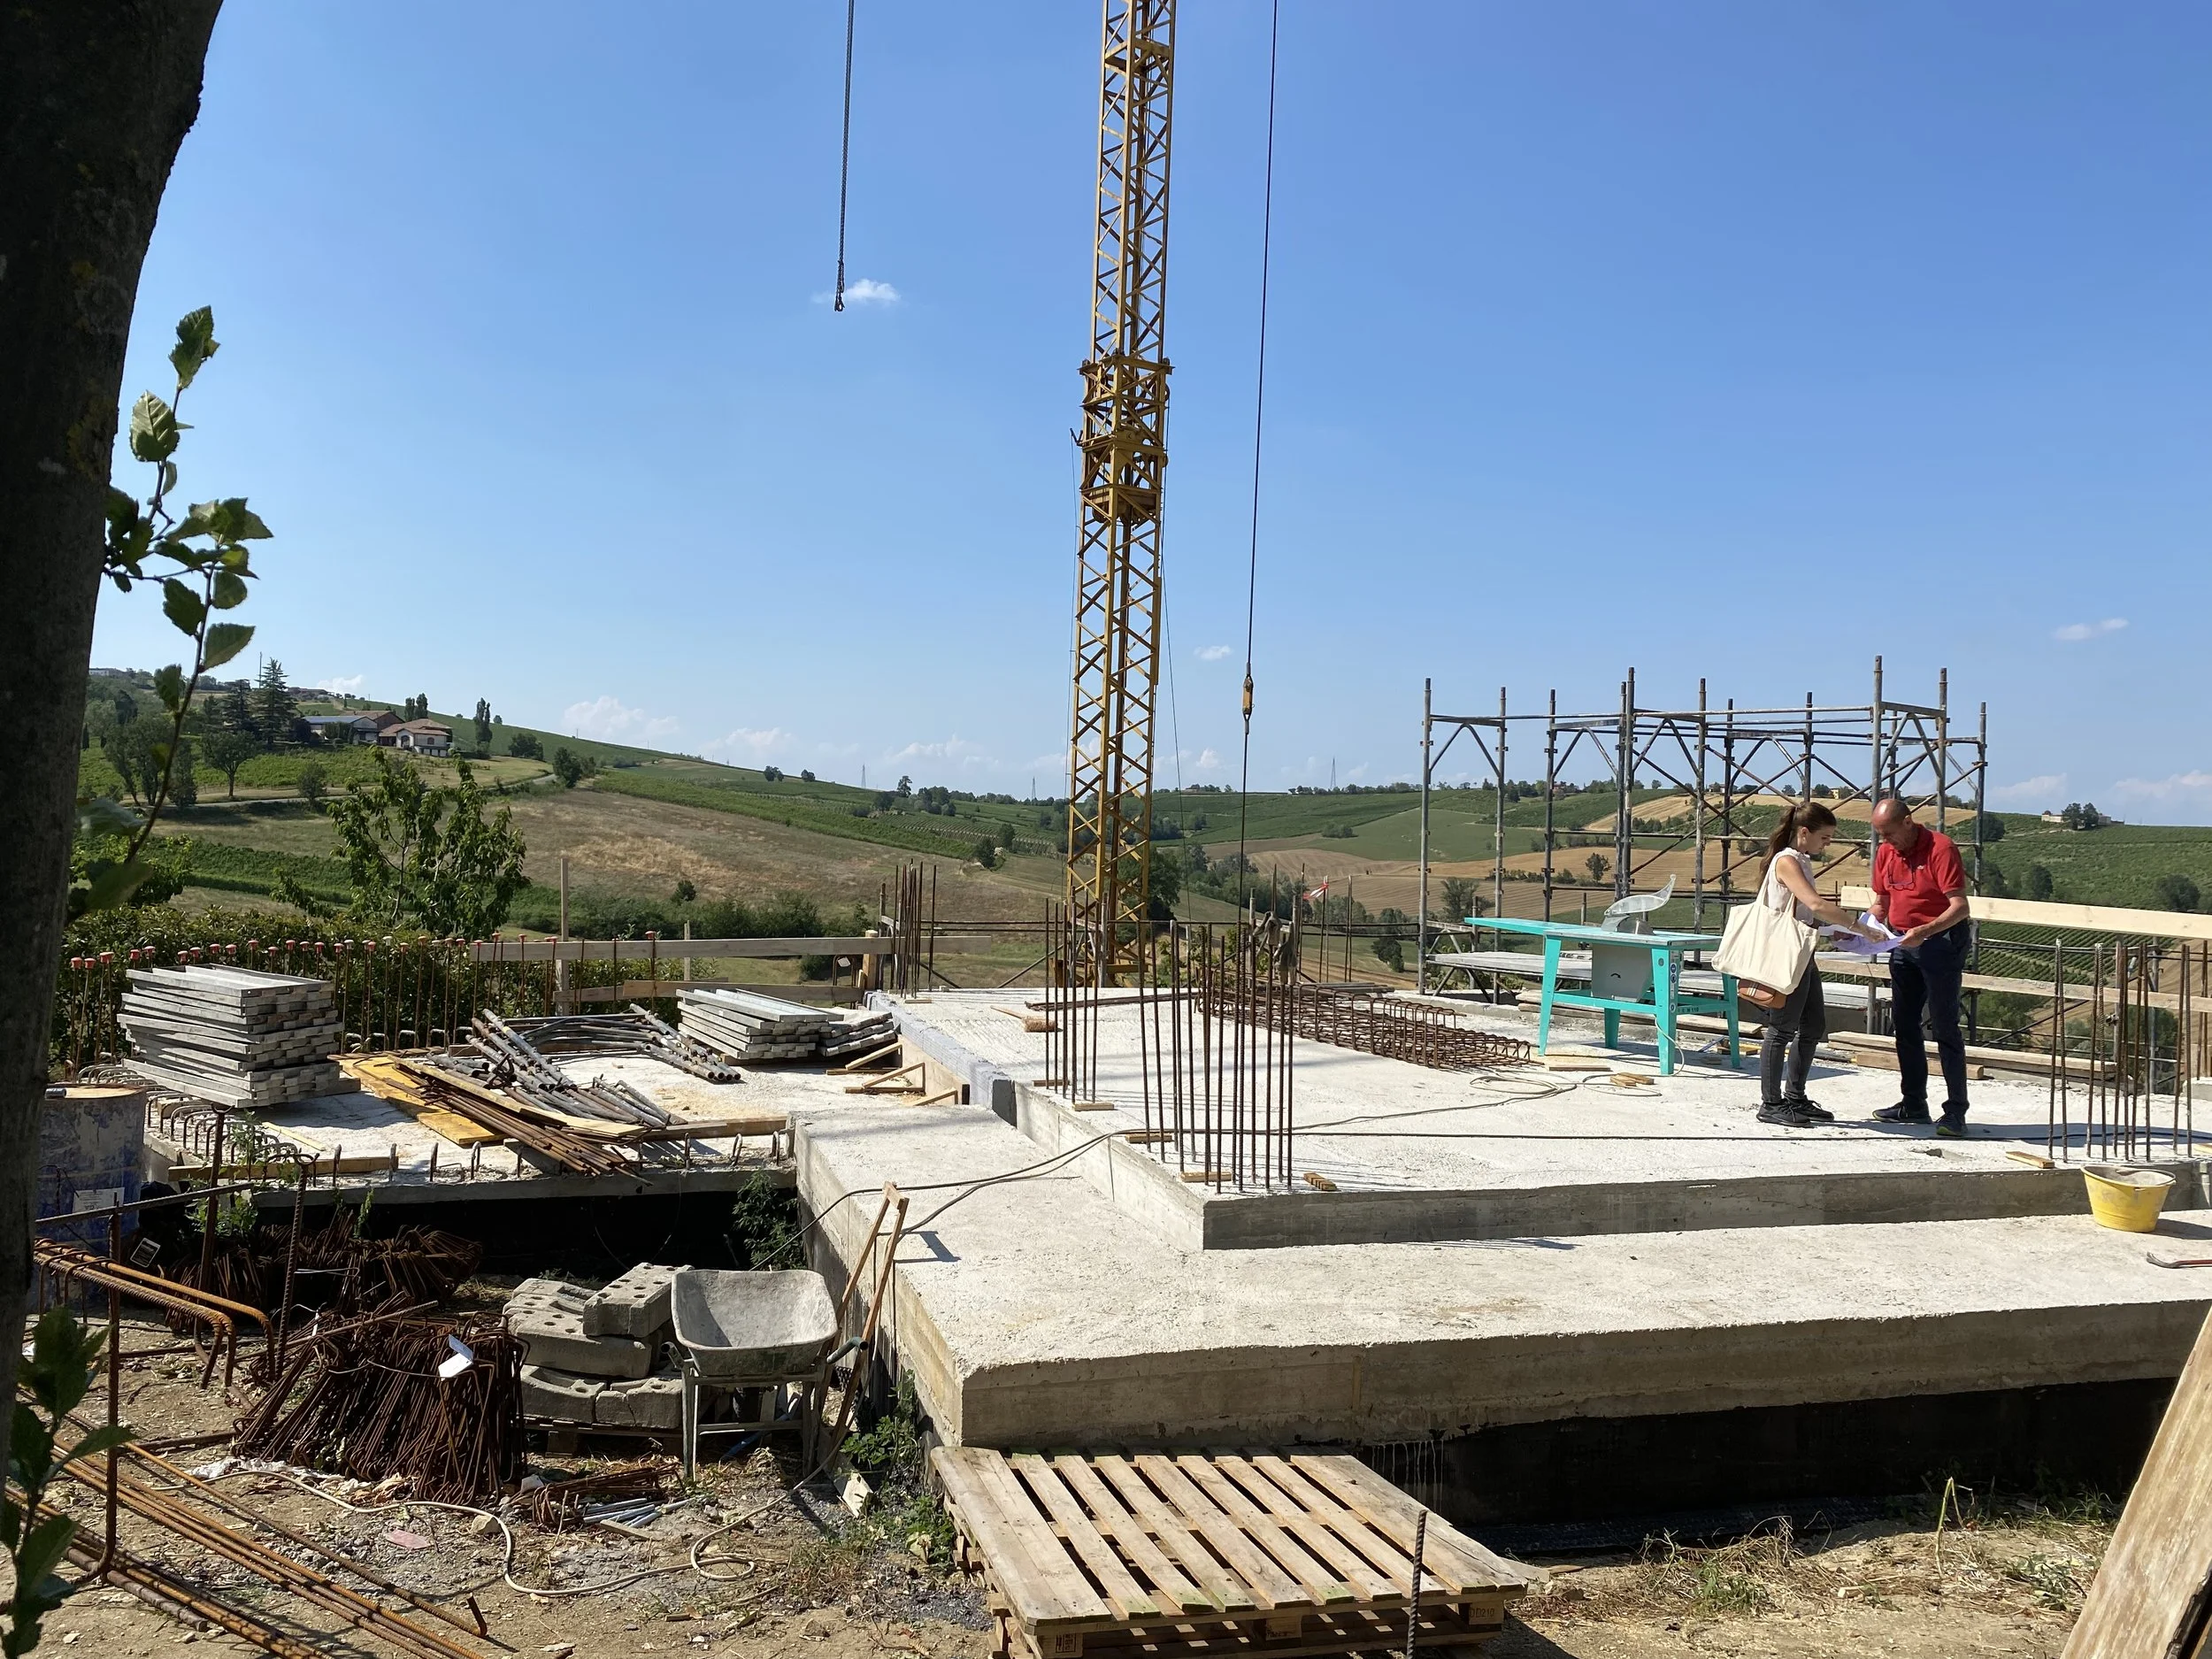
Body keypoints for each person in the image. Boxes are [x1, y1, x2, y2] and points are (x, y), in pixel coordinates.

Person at [1755, 802, 1884, 1127]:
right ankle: (1771, 1103)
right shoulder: (1787, 861)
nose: (1828, 844)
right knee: (1782, 1028)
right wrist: (1858, 927)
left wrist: (1831, 930)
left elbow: (1804, 914)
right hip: (1786, 954)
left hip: (1802, 950)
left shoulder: (1799, 860)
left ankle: (1796, 1097)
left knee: (1812, 1027)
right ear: (1804, 832)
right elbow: (1814, 903)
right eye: (1824, 837)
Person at [1869, 796, 1972, 1135]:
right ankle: (1914, 1102)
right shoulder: (1887, 853)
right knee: (1904, 1023)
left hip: (1939, 942)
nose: (1886, 842)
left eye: (1890, 834)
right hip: (1901, 942)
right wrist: (1864, 927)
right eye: (1881, 836)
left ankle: (1956, 1111)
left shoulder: (1941, 849)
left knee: (1944, 1026)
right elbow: (1882, 900)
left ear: (1908, 822)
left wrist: (1925, 931)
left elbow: (1960, 907)